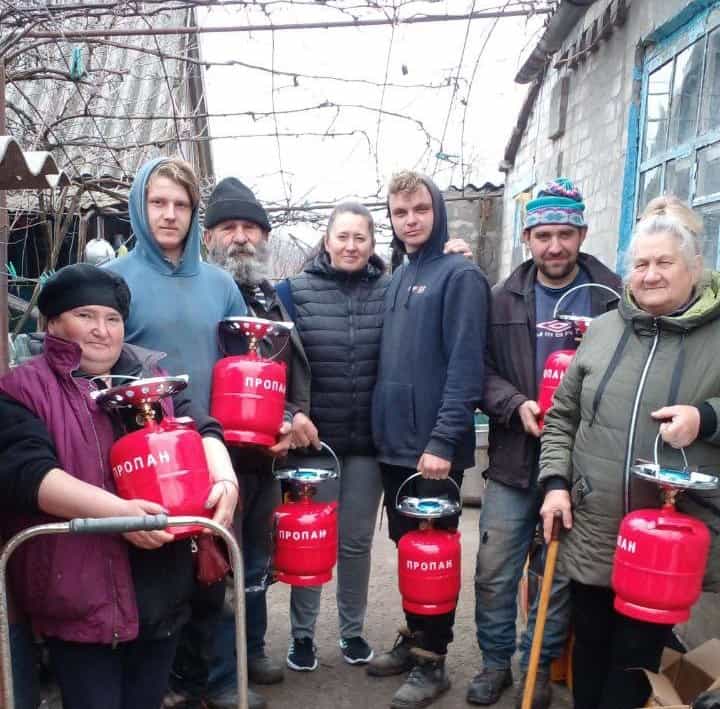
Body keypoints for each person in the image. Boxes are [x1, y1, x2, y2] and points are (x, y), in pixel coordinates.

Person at [0, 263, 239, 709]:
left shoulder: (151, 373)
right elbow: (28, 474)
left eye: (112, 318)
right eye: (85, 316)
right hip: (79, 593)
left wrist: (224, 478)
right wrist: (117, 515)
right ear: (52, 323)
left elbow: (201, 426)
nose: (102, 330)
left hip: (160, 588)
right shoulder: (23, 389)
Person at [538, 196, 720, 709]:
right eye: (641, 264)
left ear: (694, 267)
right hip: (595, 526)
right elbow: (562, 417)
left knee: (637, 661)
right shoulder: (604, 329)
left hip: (668, 539)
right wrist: (555, 484)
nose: (651, 274)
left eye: (665, 262)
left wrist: (705, 418)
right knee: (591, 646)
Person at [104, 158, 253, 709]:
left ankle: (216, 683)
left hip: (213, 453)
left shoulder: (220, 284)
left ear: (194, 213)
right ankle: (159, 686)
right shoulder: (115, 280)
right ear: (139, 207)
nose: (169, 215)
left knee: (216, 574)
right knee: (157, 581)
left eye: (181, 205)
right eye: (158, 202)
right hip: (145, 460)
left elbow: (244, 364)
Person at [467, 178, 621, 708]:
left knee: (555, 575)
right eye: (543, 235)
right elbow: (479, 370)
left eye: (565, 234)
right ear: (527, 237)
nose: (554, 246)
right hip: (515, 457)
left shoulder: (613, 297)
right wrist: (515, 404)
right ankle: (494, 664)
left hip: (580, 463)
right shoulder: (500, 298)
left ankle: (535, 666)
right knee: (494, 570)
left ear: (582, 234)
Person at [368, 171, 490, 709]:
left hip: (433, 451)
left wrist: (443, 441)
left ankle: (432, 661)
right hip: (396, 446)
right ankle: (415, 637)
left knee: (434, 554)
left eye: (420, 209)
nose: (410, 220)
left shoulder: (460, 276)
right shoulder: (399, 277)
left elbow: (466, 366)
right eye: (400, 212)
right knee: (409, 549)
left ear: (437, 210)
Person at [202, 177, 311, 707]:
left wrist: (290, 417)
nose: (241, 237)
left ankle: (254, 647)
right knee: (218, 560)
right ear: (209, 237)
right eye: (228, 227)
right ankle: (220, 668)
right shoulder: (203, 293)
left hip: (266, 455)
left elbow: (290, 368)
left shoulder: (272, 298)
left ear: (265, 238)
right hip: (215, 453)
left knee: (258, 559)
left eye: (250, 227)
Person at [274, 201, 388, 672]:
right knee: (309, 539)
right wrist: (290, 413)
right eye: (343, 236)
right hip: (312, 445)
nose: (351, 246)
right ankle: (302, 636)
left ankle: (352, 631)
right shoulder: (293, 293)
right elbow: (274, 364)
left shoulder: (389, 291)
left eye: (360, 237)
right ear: (327, 241)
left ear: (372, 243)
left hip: (366, 445)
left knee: (355, 543)